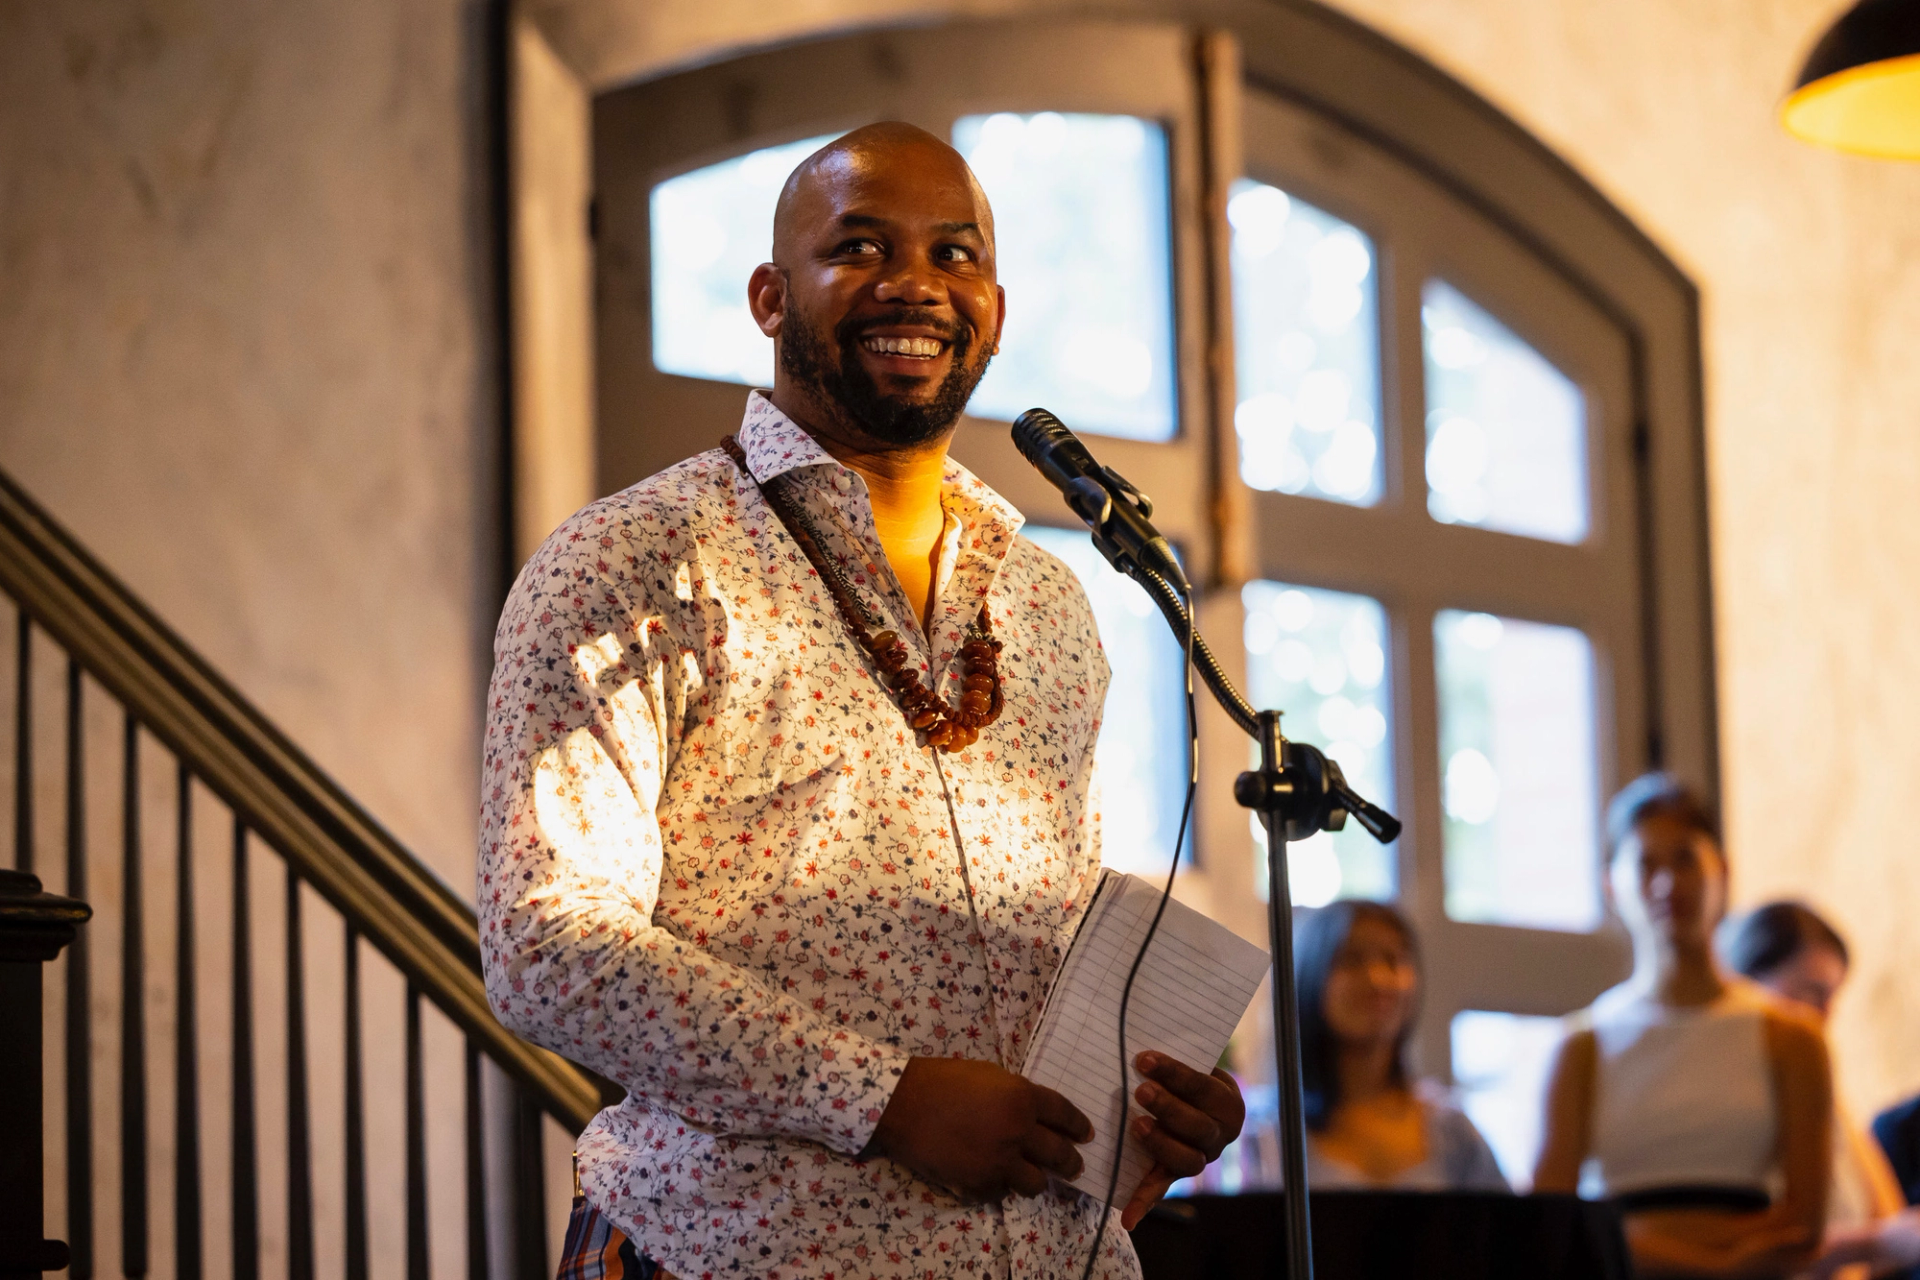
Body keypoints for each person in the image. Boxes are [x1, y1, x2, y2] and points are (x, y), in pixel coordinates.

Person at [476, 122, 1244, 1280]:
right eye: (860, 247)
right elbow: (549, 946)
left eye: (954, 254)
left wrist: (1153, 1097)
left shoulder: (1046, 600)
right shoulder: (634, 559)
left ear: (995, 308)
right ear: (770, 296)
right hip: (738, 1250)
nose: (915, 284)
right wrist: (885, 1099)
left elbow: (1055, 944)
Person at [1534, 773, 1834, 1278]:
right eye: (1645, 864)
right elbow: (1549, 1225)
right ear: (1611, 887)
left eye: (1685, 860)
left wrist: (1644, 1242)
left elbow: (1805, 1221)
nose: (1668, 883)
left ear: (1724, 871)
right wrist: (1720, 1265)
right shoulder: (1581, 1047)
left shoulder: (1792, 1038)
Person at [1725, 902, 1920, 1279]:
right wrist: (1871, 1244)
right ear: (1744, 984)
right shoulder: (1729, 1107)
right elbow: (1738, 1249)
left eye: (1832, 998)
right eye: (1809, 994)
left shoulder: (1821, 1095)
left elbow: (1888, 1215)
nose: (1826, 1015)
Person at [1292, 899, 1508, 1191]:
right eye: (1352, 960)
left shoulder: (1454, 1131)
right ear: (1311, 974)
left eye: (1394, 960)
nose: (1378, 979)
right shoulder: (1267, 1134)